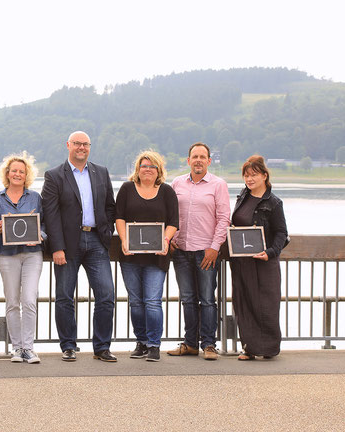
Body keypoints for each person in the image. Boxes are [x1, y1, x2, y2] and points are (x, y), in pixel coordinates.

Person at [41, 131, 117, 362]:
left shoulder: (101, 172)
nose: (81, 147)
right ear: (68, 145)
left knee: (106, 295)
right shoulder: (54, 175)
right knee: (64, 296)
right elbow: (50, 215)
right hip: (67, 244)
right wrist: (57, 247)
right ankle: (68, 346)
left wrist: (106, 230)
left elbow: (110, 206)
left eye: (85, 144)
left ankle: (102, 347)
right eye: (77, 143)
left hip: (96, 241)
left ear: (90, 147)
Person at [167, 142, 230, 361]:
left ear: (209, 161)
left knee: (207, 299)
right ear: (188, 160)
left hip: (206, 251)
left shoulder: (218, 185)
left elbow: (224, 218)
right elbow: (170, 214)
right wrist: (170, 239)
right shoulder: (176, 183)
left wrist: (215, 247)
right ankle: (191, 344)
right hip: (181, 250)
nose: (198, 160)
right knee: (187, 299)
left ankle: (209, 345)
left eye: (203, 157)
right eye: (194, 156)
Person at [116, 150, 178, 362]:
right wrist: (124, 239)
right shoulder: (126, 189)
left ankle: (154, 345)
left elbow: (173, 222)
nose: (148, 170)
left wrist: (166, 240)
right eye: (144, 166)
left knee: (152, 301)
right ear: (138, 169)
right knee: (135, 301)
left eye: (152, 166)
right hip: (130, 256)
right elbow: (119, 217)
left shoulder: (167, 192)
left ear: (159, 170)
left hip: (156, 257)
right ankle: (141, 342)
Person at [0, 152, 45, 364]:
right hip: (7, 255)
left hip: (32, 255)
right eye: (14, 171)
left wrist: (40, 235)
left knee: (29, 300)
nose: (17, 174)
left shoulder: (35, 198)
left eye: (21, 171)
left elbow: (45, 226)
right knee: (12, 302)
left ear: (26, 174)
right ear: (7, 174)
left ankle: (29, 348)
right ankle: (17, 348)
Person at [230, 155, 288, 360]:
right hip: (241, 261)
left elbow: (282, 233)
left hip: (264, 261)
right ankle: (250, 348)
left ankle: (269, 349)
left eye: (254, 175)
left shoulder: (274, 203)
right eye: (246, 175)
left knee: (266, 305)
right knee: (243, 303)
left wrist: (270, 253)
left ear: (265, 176)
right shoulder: (242, 196)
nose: (249, 179)